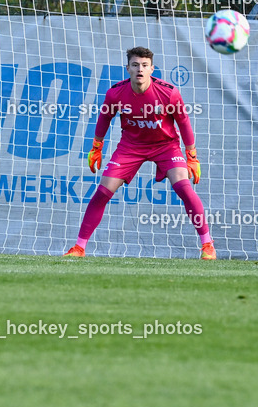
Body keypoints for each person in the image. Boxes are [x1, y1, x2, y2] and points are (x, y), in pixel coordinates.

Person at [64, 47, 214, 259]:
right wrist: (97, 146)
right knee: (102, 192)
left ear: (152, 69)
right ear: (128, 68)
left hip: (166, 146)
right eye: (135, 65)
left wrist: (191, 156)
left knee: (184, 188)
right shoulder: (115, 93)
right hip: (130, 147)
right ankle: (79, 248)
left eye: (144, 65)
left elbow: (183, 121)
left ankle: (207, 244)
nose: (140, 69)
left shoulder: (169, 93)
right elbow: (104, 118)